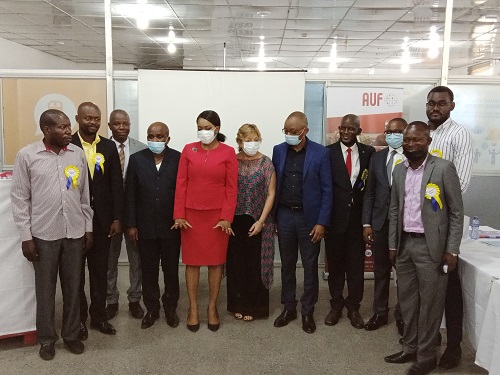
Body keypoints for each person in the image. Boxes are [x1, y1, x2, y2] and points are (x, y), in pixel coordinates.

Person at [11, 109, 93, 360]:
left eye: (69, 127)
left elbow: (84, 195)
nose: (69, 131)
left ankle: (70, 335)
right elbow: (19, 199)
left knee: (73, 288)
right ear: (47, 130)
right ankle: (47, 339)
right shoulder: (27, 156)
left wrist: (88, 228)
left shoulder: (77, 154)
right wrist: (26, 236)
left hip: (75, 231)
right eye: (63, 127)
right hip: (43, 235)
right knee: (45, 290)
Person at [384, 121, 463, 375]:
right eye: (407, 140)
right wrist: (392, 245)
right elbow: (394, 210)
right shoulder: (399, 170)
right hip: (405, 245)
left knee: (430, 304)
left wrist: (452, 249)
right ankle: (410, 348)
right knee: (406, 301)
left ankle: (427, 356)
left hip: (432, 247)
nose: (410, 144)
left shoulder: (443, 168)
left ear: (428, 141)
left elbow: (456, 212)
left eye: (417, 140)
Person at [172, 110, 238, 332]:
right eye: (199, 127)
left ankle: (212, 308)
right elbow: (181, 183)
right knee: (192, 263)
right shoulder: (188, 150)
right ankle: (192, 309)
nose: (203, 131)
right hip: (190, 217)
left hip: (217, 218)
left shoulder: (228, 153)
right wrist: (179, 214)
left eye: (207, 127)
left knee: (215, 262)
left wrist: (227, 217)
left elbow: (231, 188)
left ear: (217, 129)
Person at [272, 111, 332, 334]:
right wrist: (275, 218)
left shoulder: (320, 153)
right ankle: (289, 308)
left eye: (294, 131)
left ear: (305, 130)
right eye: (286, 131)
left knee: (309, 267)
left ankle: (307, 310)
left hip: (310, 220)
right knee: (287, 265)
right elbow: (275, 186)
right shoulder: (278, 151)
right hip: (285, 215)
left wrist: (321, 222)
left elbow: (327, 190)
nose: (289, 134)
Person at [426, 85, 473, 369]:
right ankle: (430, 338)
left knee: (449, 286)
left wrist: (434, 209)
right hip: (420, 225)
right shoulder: (424, 134)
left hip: (444, 225)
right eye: (431, 103)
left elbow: (462, 184)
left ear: (452, 106)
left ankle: (453, 345)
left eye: (441, 104)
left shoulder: (459, 135)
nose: (435, 108)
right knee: (427, 285)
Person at [72, 102, 125, 339]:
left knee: (100, 272)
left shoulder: (108, 146)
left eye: (96, 118)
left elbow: (116, 184)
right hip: (74, 222)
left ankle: (99, 317)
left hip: (103, 221)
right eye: (87, 118)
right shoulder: (68, 145)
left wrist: (116, 217)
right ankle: (79, 319)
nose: (92, 122)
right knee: (76, 274)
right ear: (78, 119)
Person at [126, 122, 181, 329]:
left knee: (171, 270)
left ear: (168, 138)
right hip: (145, 226)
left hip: (171, 227)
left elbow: (183, 190)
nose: (155, 141)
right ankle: (152, 309)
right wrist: (131, 224)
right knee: (148, 271)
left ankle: (170, 308)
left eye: (160, 137)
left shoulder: (178, 158)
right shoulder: (137, 159)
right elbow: (130, 193)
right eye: (151, 136)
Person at [324, 114, 375, 329]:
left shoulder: (369, 153)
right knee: (335, 266)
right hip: (335, 220)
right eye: (343, 128)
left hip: (357, 221)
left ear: (358, 132)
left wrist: (367, 222)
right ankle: (336, 305)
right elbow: (324, 188)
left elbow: (370, 188)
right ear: (338, 129)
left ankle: (354, 307)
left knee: (356, 267)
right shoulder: (328, 153)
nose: (346, 132)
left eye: (351, 129)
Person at [226, 124, 276, 321]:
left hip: (258, 221)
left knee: (255, 265)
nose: (252, 144)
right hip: (233, 221)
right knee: (236, 265)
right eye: (248, 140)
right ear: (239, 141)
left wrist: (261, 221)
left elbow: (271, 193)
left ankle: (255, 307)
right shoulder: (231, 161)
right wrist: (225, 219)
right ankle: (237, 304)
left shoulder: (266, 163)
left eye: (256, 139)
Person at [362, 117, 407, 332]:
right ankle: (380, 313)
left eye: (397, 132)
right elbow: (369, 192)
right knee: (380, 271)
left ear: (405, 133)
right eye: (389, 132)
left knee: (404, 273)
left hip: (406, 225)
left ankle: (403, 314)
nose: (392, 136)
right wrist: (366, 223)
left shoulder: (413, 157)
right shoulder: (377, 158)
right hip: (380, 222)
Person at [106, 109, 147, 321]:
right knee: (109, 260)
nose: (122, 127)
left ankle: (134, 299)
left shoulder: (142, 148)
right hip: (109, 215)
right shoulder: (102, 148)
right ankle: (111, 300)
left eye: (126, 123)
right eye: (117, 124)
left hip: (134, 214)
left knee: (136, 259)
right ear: (110, 125)